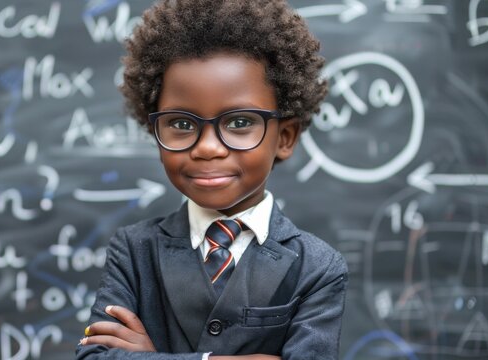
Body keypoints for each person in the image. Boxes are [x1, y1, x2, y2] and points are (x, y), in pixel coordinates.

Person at [75, 0, 348, 359]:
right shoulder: (133, 251)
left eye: (238, 123)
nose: (207, 148)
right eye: (182, 124)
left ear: (285, 137)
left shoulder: (317, 268)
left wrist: (149, 356)